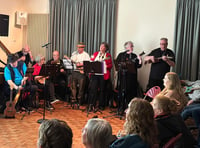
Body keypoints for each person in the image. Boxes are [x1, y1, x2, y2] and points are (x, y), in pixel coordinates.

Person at [116, 41, 142, 114]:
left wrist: (140, 60)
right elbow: (117, 64)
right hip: (122, 78)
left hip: (131, 78)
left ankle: (130, 109)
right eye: (131, 46)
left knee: (131, 93)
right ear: (126, 47)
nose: (132, 47)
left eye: (133, 46)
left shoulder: (134, 56)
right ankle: (121, 108)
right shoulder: (121, 55)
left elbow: (139, 66)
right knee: (121, 93)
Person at [87, 42, 112, 111]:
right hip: (94, 74)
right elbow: (91, 61)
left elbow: (110, 65)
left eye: (103, 46)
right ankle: (92, 105)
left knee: (102, 91)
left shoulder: (108, 55)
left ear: (106, 48)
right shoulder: (95, 54)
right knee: (93, 90)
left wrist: (106, 66)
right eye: (101, 46)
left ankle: (101, 105)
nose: (101, 47)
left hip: (103, 75)